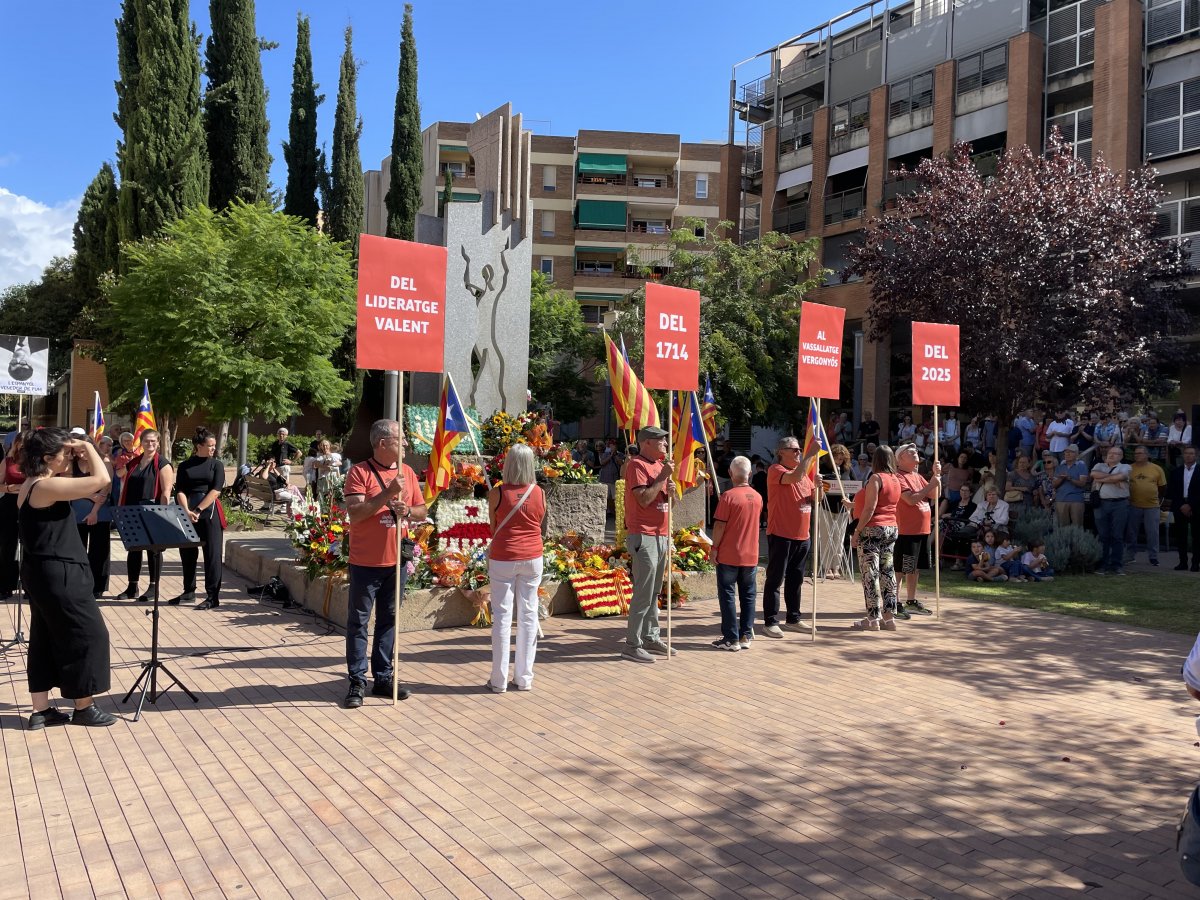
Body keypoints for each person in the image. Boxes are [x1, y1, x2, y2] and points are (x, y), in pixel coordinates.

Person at [17, 428, 115, 728]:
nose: (69, 456)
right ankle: (83, 707)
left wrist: (78, 455)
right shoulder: (45, 487)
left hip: (42, 572)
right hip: (60, 573)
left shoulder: (33, 484)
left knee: (45, 637)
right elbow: (102, 480)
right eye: (64, 453)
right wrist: (88, 445)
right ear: (47, 458)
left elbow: (86, 486)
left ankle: (41, 711)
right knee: (88, 635)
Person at [342, 419, 427, 707]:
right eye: (400, 439)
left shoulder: (408, 473)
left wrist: (408, 510)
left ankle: (383, 676)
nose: (405, 443)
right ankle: (356, 680)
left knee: (389, 620)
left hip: (396, 562)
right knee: (359, 622)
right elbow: (355, 513)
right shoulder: (359, 472)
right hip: (366, 561)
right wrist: (388, 494)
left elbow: (421, 509)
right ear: (382, 443)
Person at [486, 443, 546, 692]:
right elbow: (540, 522)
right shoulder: (539, 492)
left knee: (501, 617)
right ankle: (524, 678)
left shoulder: (496, 493)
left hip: (503, 556)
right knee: (529, 615)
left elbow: (492, 526)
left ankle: (498, 680)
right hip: (532, 555)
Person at [623, 425, 676, 663]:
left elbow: (666, 507)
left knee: (654, 592)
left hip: (661, 535)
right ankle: (632, 644)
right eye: (661, 441)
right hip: (644, 536)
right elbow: (643, 499)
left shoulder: (658, 466)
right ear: (646, 443)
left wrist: (670, 494)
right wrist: (663, 477)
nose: (665, 444)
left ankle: (651, 636)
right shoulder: (637, 465)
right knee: (644, 593)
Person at [761, 435, 820, 638]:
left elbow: (814, 498)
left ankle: (793, 618)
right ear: (781, 452)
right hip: (781, 533)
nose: (798, 452)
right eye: (793, 449)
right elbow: (794, 477)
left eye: (799, 449)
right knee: (776, 578)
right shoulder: (776, 470)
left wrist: (819, 488)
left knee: (796, 579)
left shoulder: (804, 474)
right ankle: (770, 621)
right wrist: (811, 455)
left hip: (803, 535)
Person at [711, 456, 763, 651]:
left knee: (728, 595)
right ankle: (745, 635)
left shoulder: (728, 496)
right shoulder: (757, 497)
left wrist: (714, 548)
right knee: (749, 595)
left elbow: (719, 526)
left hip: (729, 553)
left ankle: (730, 637)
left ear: (731, 473)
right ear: (749, 473)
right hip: (751, 554)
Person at [117, 429, 173, 601]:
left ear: (158, 443)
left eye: (153, 441)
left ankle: (153, 588)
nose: (150, 444)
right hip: (132, 510)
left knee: (153, 551)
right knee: (134, 550)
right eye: (147, 441)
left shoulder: (162, 463)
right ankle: (132, 586)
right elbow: (119, 473)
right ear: (141, 443)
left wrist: (163, 517)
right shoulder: (135, 461)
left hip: (153, 511)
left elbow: (166, 491)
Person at [174, 427, 226, 609]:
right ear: (199, 446)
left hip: (209, 512)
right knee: (187, 552)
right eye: (210, 445)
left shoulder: (216, 465)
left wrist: (198, 509)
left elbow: (216, 490)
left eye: (214, 445)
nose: (213, 448)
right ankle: (188, 591)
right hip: (187, 511)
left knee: (212, 554)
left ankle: (212, 596)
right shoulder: (185, 465)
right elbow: (179, 489)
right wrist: (186, 510)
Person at [850, 446, 901, 630]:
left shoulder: (876, 478)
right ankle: (889, 618)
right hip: (891, 527)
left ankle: (872, 618)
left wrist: (857, 531)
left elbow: (870, 508)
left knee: (870, 574)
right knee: (887, 572)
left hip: (873, 529)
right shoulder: (896, 479)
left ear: (876, 460)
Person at [893, 444, 939, 617]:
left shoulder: (917, 476)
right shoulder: (899, 477)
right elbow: (910, 500)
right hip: (906, 530)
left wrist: (936, 475)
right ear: (900, 458)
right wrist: (930, 485)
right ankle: (894, 603)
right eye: (911, 452)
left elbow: (935, 494)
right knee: (900, 568)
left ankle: (910, 600)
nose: (916, 454)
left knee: (914, 568)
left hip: (921, 530)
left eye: (916, 452)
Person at [72, 431, 113, 599]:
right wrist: (88, 495)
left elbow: (106, 488)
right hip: (77, 512)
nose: (79, 454)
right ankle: (79, 584)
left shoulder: (104, 461)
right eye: (77, 451)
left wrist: (94, 511)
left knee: (99, 550)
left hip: (100, 511)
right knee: (77, 549)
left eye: (83, 450)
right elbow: (68, 486)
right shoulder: (71, 464)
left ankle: (98, 586)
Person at [1091, 445, 1132, 576]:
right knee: (1103, 536)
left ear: (1121, 456)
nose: (1111, 455)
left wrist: (1102, 479)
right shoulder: (1098, 465)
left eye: (1115, 453)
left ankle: (1117, 565)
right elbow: (1093, 474)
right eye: (1110, 452)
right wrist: (1113, 478)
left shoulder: (1126, 467)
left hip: (1120, 504)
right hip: (1102, 504)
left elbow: (1120, 477)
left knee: (1117, 536)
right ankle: (1102, 565)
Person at [1125, 445, 1166, 566]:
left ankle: (1153, 556)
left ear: (1147, 455)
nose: (1137, 455)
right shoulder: (1129, 468)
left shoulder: (1157, 469)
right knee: (1131, 532)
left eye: (1140, 453)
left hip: (1152, 506)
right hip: (1133, 505)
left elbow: (1163, 487)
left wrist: (1159, 500)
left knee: (1152, 532)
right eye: (1136, 453)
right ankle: (1130, 555)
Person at [0, 430, 29, 598]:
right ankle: (6, 585)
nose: (23, 447)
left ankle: (28, 586)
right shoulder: (8, 461)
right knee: (7, 547)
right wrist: (9, 488)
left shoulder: (35, 461)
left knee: (29, 547)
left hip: (29, 504)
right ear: (16, 444)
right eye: (21, 443)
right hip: (9, 504)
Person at [1168, 445, 1199, 571]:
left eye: (1191, 453)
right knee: (1181, 536)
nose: (1188, 455)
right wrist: (1182, 505)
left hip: (1196, 507)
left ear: (1196, 455)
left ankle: (1196, 563)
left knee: (1197, 536)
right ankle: (1183, 562)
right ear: (1183, 455)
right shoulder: (1176, 471)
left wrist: (1190, 505)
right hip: (1180, 507)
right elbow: (1172, 491)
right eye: (1186, 453)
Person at [1054, 444, 1089, 527]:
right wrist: (1061, 478)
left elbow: (1082, 483)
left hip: (1076, 500)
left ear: (1076, 454)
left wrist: (1070, 479)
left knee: (1077, 526)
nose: (1067, 454)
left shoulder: (1082, 466)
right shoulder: (1060, 467)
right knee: (1062, 527)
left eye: (1071, 452)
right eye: (1066, 452)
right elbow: (1054, 485)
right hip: (1061, 499)